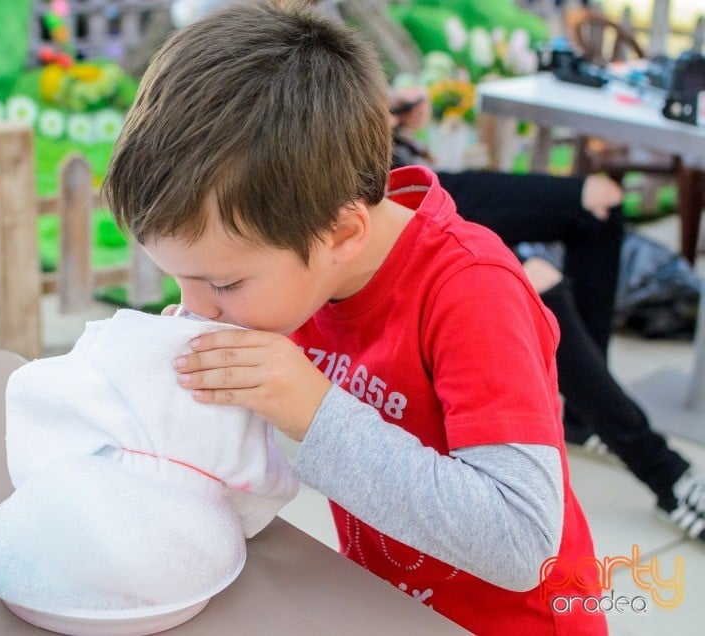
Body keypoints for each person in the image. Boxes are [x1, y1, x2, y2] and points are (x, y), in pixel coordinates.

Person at [102, 1, 607, 632]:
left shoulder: (471, 292)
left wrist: (313, 413)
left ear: (342, 233)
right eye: (180, 277)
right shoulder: (295, 270)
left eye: (223, 282)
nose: (196, 307)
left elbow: (523, 540)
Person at [389, 88, 705, 544]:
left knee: (600, 203)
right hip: (378, 196)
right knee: (534, 284)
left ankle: (583, 413)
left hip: (418, 179)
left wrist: (389, 111)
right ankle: (665, 474)